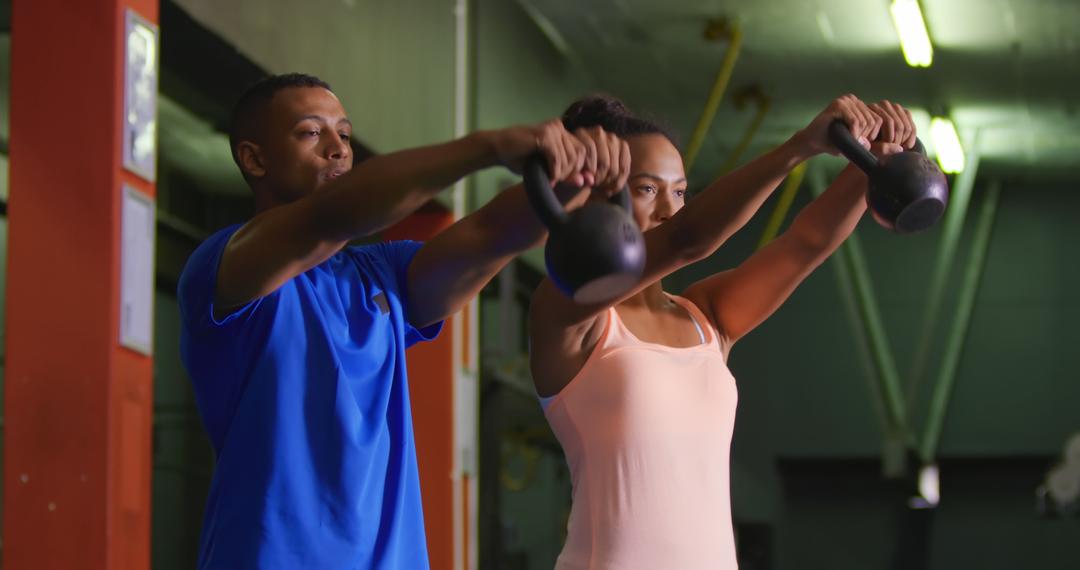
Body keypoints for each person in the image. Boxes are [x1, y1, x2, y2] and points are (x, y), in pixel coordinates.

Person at [177, 73, 630, 569]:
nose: (337, 150)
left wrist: (568, 174)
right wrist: (489, 147)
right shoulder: (225, 267)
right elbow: (331, 218)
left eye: (345, 135)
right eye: (311, 133)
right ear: (254, 158)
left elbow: (489, 234)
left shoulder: (382, 273)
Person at [528, 93, 918, 569]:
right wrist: (798, 146)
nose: (669, 209)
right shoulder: (568, 311)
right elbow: (686, 239)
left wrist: (873, 167)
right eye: (648, 189)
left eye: (680, 192)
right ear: (594, 195)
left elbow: (806, 244)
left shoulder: (706, 318)